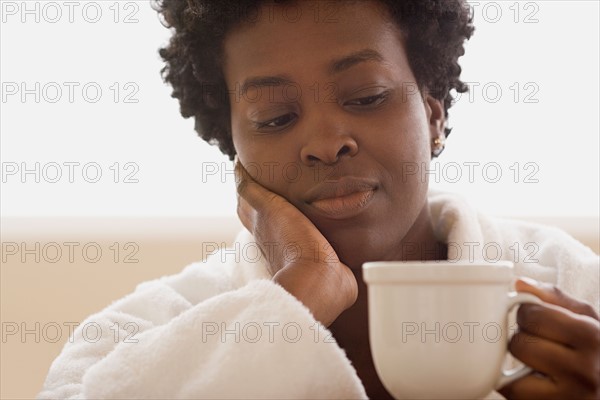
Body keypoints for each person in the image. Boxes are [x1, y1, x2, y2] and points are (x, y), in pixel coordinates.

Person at [38, 1, 599, 399]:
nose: (329, 144)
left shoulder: (571, 289)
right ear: (235, 148)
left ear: (433, 116)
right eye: (276, 117)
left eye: (367, 96)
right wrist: (299, 295)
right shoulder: (136, 338)